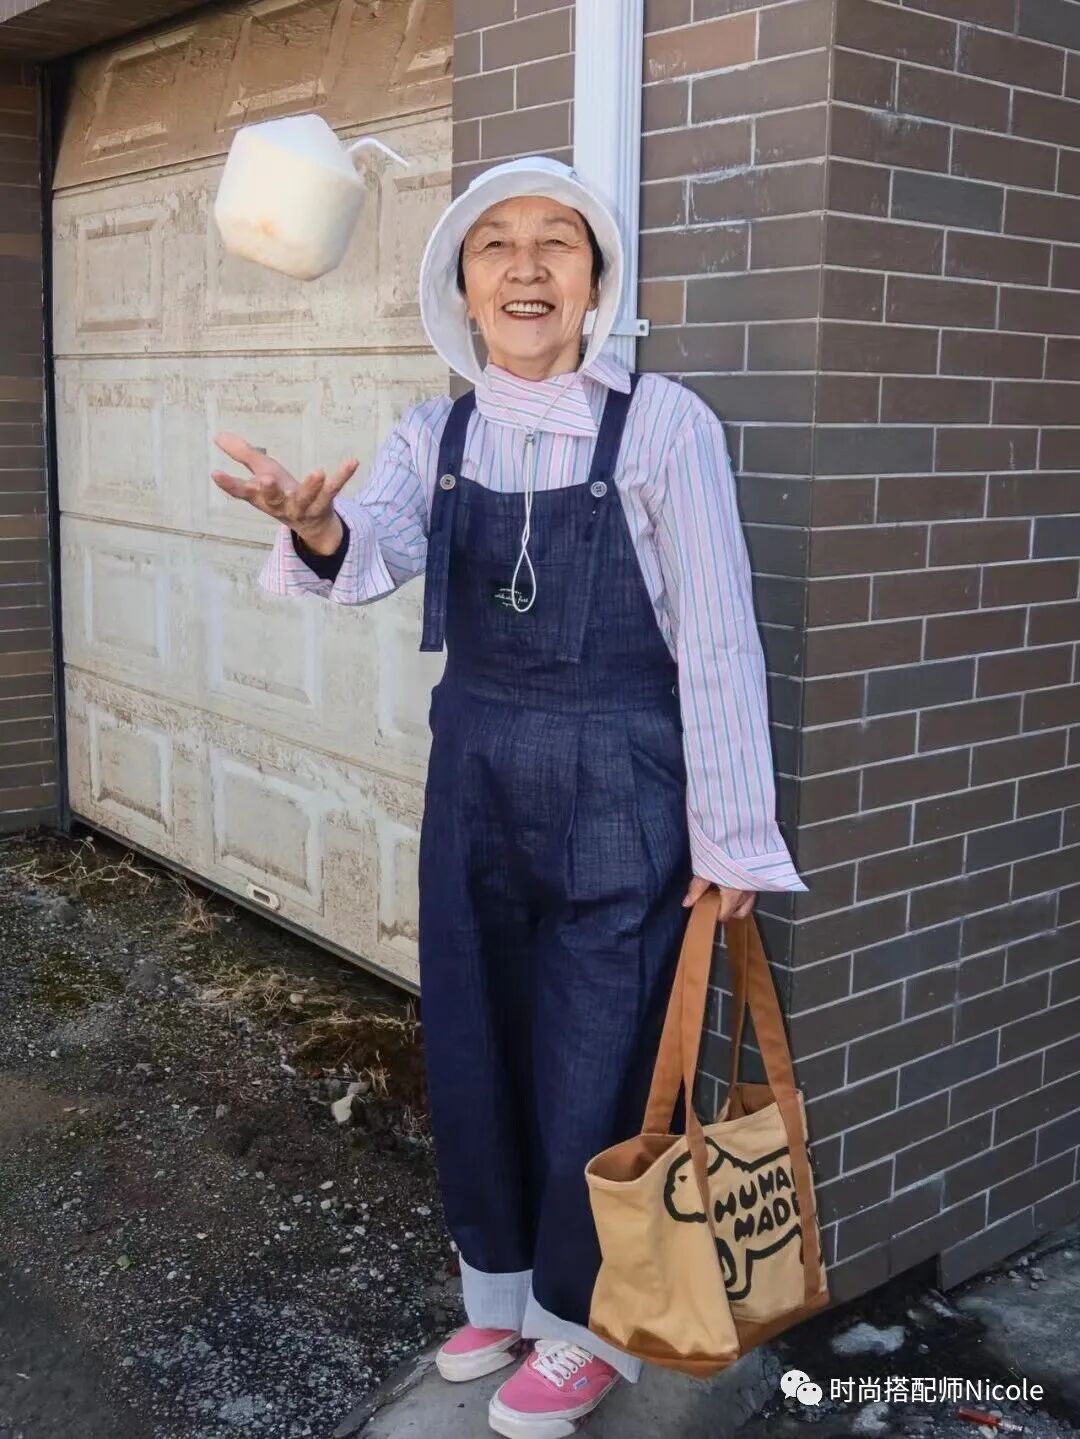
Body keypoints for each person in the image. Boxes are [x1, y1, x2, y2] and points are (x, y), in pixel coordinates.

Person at [212, 156, 805, 1439]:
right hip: (477, 772)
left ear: (597, 280)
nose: (526, 267)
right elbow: (366, 549)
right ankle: (503, 1290)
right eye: (495, 245)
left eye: (558, 243)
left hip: (624, 785)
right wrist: (312, 526)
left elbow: (718, 637)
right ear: (461, 284)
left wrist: (732, 834)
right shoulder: (435, 435)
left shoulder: (665, 425)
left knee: (599, 1054)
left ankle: (586, 1327)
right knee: (477, 1037)